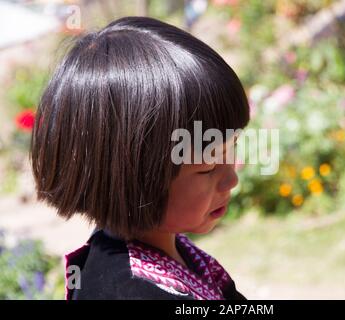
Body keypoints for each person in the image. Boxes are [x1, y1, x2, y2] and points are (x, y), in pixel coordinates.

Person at [30, 16, 249, 300]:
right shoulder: (126, 291)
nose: (231, 179)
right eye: (208, 167)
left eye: (230, 149)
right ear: (133, 175)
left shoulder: (172, 253)